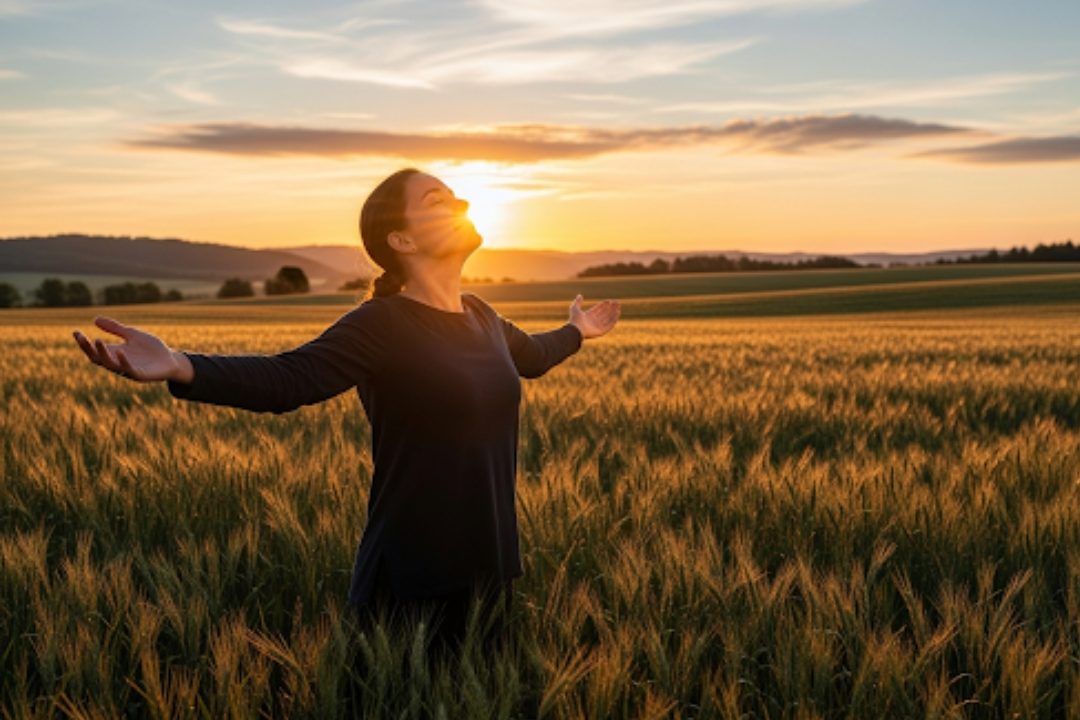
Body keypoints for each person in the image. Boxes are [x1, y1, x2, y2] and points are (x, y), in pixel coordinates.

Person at [71, 168, 622, 663]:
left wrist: (578, 330)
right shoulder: (380, 323)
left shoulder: (482, 315)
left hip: (493, 570)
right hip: (411, 585)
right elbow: (291, 379)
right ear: (401, 240)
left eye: (456, 195)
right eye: (437, 200)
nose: (459, 204)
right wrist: (180, 365)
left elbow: (534, 358)